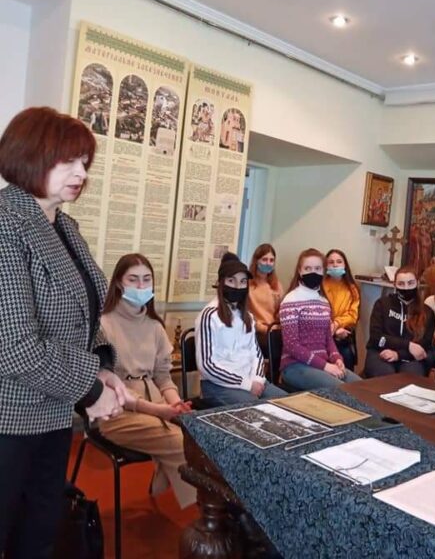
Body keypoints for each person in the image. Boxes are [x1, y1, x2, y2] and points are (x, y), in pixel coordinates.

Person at [0, 107, 128, 558]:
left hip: (54, 412)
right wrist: (90, 390)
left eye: (85, 162)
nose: (81, 173)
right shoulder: (5, 222)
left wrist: (103, 368)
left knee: (38, 537)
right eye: (68, 160)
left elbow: (85, 313)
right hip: (9, 417)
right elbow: (15, 346)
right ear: (28, 155)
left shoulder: (64, 226)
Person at [99, 253, 197, 508]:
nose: (141, 286)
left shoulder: (154, 326)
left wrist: (176, 405)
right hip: (115, 411)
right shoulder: (103, 325)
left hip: (155, 404)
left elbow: (163, 377)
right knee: (180, 442)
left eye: (146, 279)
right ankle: (206, 513)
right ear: (118, 283)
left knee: (199, 436)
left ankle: (194, 497)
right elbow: (107, 385)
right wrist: (160, 411)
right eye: (133, 280)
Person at [196, 253, 287, 405]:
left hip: (252, 380)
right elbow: (207, 366)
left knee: (288, 403)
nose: (238, 287)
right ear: (220, 282)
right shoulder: (209, 315)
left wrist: (257, 379)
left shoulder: (247, 317)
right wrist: (246, 384)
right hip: (219, 385)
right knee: (258, 410)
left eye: (243, 281)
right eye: (231, 281)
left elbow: (256, 353)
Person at [279, 248, 362, 389]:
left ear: (323, 271)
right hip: (295, 366)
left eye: (317, 268)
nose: (313, 272)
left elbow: (328, 339)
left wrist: (337, 358)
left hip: (322, 364)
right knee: (343, 391)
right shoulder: (290, 300)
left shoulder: (323, 301)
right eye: (308, 268)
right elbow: (292, 345)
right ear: (300, 271)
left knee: (363, 387)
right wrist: (325, 366)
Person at [365, 266, 435, 378]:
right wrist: (408, 345)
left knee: (409, 377)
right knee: (385, 375)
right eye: (401, 284)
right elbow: (376, 337)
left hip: (411, 357)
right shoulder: (382, 304)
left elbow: (423, 345)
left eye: (410, 283)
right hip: (380, 351)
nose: (406, 287)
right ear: (395, 285)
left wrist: (398, 355)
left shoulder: (427, 312)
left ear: (417, 283)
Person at [323, 249, 360, 371]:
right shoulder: (320, 285)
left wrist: (337, 324)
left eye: (339, 262)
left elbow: (353, 315)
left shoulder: (352, 288)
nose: (335, 265)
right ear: (326, 266)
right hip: (322, 333)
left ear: (345, 265)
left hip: (343, 332)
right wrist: (331, 327)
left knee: (346, 355)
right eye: (331, 262)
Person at [247, 243, 284, 365]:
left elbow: (281, 310)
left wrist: (278, 326)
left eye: (271, 260)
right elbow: (245, 314)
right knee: (274, 345)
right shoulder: (247, 284)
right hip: (256, 332)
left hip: (275, 329)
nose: (268, 263)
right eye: (264, 259)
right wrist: (264, 328)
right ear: (256, 261)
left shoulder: (276, 285)